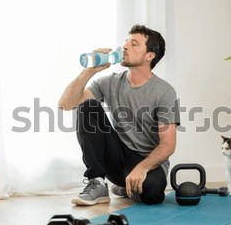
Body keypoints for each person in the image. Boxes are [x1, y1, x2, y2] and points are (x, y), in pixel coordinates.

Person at [58, 24, 180, 206]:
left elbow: (168, 145)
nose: (125, 47)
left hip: (146, 160)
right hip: (116, 155)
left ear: (150, 56)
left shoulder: (164, 92)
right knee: (87, 105)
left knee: (153, 194)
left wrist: (142, 168)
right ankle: (97, 182)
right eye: (126, 42)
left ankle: (125, 187)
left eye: (134, 44)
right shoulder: (109, 82)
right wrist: (89, 71)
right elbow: (66, 104)